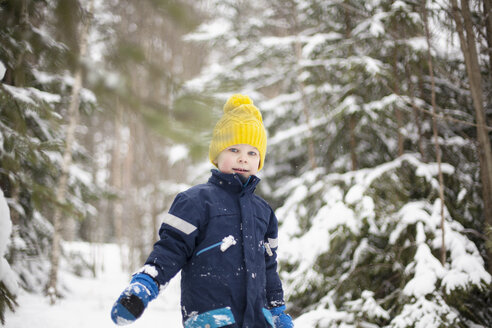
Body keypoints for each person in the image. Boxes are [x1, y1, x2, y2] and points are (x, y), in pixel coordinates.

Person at [110, 94, 294, 328]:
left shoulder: (264, 213)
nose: (243, 159)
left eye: (252, 153)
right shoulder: (195, 201)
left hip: (258, 322)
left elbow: (269, 267)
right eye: (234, 149)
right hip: (211, 320)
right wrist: (144, 287)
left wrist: (277, 311)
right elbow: (171, 249)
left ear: (259, 160)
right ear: (217, 154)